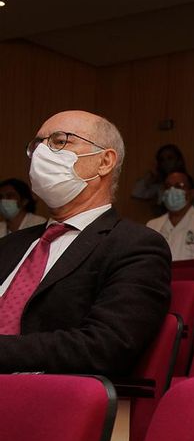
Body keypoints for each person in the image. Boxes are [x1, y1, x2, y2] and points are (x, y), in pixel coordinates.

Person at [0, 110, 171, 376]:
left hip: (40, 398)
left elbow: (106, 346)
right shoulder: (10, 245)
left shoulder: (136, 246)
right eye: (36, 145)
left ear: (104, 161)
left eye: (59, 141)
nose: (41, 154)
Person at [146, 170, 194, 261]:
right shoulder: (152, 225)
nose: (172, 190)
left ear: (191, 193)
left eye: (179, 186)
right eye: (168, 186)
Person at [132, 144, 194, 212]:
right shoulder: (160, 186)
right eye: (162, 160)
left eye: (170, 158)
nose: (166, 162)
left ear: (179, 161)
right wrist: (149, 176)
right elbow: (137, 193)